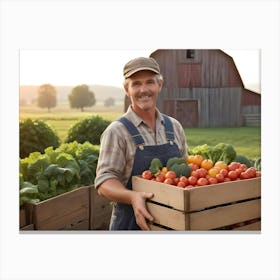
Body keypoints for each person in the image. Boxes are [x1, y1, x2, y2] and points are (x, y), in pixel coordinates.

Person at [94, 57, 188, 230]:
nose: (144, 90)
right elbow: (104, 182)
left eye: (150, 82)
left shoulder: (174, 127)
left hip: (172, 225)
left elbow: (187, 170)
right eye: (136, 84)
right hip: (130, 225)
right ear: (126, 89)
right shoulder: (117, 132)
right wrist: (132, 197)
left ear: (159, 85)